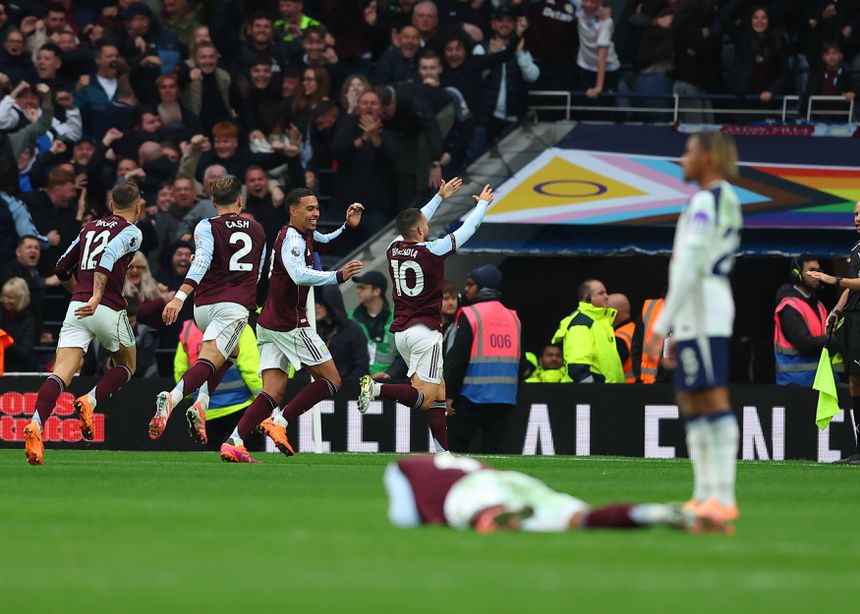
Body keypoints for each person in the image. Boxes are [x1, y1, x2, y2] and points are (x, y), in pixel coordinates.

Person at [217, 189, 364, 463]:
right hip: (290, 323)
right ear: (292, 210)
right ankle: (280, 423)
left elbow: (325, 242)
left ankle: (234, 442)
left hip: (270, 321)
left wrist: (347, 227)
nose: (316, 213)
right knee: (332, 380)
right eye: (309, 209)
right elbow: (298, 274)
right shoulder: (292, 240)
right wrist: (337, 276)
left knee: (272, 391)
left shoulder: (301, 234)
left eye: (318, 208)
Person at [644, 131, 743, 523]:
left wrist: (661, 325)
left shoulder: (708, 200)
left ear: (709, 157)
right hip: (696, 311)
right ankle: (704, 494)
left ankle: (723, 495)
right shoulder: (719, 200)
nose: (682, 159)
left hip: (703, 310)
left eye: (689, 152)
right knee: (690, 399)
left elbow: (692, 265)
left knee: (711, 398)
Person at [357, 178, 493, 454]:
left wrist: (439, 197)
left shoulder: (393, 248)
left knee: (440, 390)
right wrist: (482, 206)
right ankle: (378, 390)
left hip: (402, 332)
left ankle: (442, 453)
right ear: (420, 229)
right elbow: (468, 229)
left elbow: (414, 221)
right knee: (426, 397)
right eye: (424, 224)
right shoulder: (433, 250)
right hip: (425, 332)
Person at [23, 182, 143, 465]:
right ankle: (90, 400)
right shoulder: (132, 231)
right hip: (106, 306)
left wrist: (79, 294)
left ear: (111, 205)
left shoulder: (88, 228)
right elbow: (108, 258)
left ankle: (36, 425)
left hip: (76, 307)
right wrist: (97, 296)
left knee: (61, 373)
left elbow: (61, 267)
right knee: (127, 365)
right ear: (138, 208)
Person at [149, 177, 267, 446]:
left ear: (213, 202)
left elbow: (201, 261)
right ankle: (174, 397)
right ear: (240, 200)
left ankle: (201, 403)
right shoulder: (258, 229)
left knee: (231, 353)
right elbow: (259, 275)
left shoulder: (206, 225)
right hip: (234, 305)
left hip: (203, 306)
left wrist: (181, 299)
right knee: (212, 357)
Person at [384, 454, 729, 534]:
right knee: (582, 518)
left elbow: (403, 518)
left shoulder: (403, 467)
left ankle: (496, 516)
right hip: (508, 478)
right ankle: (659, 513)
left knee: (481, 514)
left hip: (469, 492)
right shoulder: (458, 461)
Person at [445, 264, 521, 454]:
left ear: (482, 288)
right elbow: (521, 361)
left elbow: (458, 360)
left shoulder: (471, 315)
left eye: (470, 284)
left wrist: (449, 394)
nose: (466, 289)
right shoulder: (513, 317)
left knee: (455, 451)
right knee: (494, 454)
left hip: (472, 397)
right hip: (504, 399)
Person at [808, 202, 860, 464]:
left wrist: (833, 279)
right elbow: (852, 289)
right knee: (854, 382)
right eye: (855, 214)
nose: (857, 218)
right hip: (852, 319)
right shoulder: (856, 249)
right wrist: (837, 310)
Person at [174, 320, 262, 451]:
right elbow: (250, 370)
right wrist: (261, 400)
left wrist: (189, 397)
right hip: (240, 407)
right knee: (249, 459)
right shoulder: (240, 325)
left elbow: (180, 372)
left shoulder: (189, 330)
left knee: (208, 466)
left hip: (206, 411)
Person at [551, 279, 624, 384]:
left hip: (608, 393)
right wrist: (593, 391)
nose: (607, 296)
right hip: (596, 395)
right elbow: (577, 368)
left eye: (606, 292)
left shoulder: (600, 322)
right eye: (601, 293)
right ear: (586, 297)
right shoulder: (581, 323)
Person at [773, 256, 829, 386]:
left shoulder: (819, 306)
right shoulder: (789, 306)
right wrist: (837, 341)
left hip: (819, 382)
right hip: (795, 384)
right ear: (796, 274)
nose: (817, 275)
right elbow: (805, 345)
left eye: (819, 270)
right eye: (811, 270)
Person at [315, 284, 369, 380]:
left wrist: (343, 388)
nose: (316, 307)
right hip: (318, 389)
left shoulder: (353, 330)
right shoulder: (313, 331)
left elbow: (361, 368)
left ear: (331, 302)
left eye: (320, 302)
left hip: (345, 389)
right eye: (314, 302)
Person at [351, 270, 398, 377]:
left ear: (377, 291)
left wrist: (390, 374)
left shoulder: (396, 318)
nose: (358, 291)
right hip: (360, 380)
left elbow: (404, 354)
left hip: (390, 380)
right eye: (358, 287)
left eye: (362, 287)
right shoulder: (351, 318)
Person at [0, 276, 35, 372]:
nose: (5, 301)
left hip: (15, 372)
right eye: (4, 296)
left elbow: (24, 353)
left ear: (21, 298)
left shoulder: (28, 322)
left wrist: (5, 341)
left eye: (10, 297)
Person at [608, 292, 636, 384]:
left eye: (605, 310)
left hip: (625, 390)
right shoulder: (635, 329)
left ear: (615, 313)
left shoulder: (619, 339)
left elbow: (609, 370)